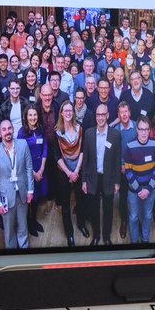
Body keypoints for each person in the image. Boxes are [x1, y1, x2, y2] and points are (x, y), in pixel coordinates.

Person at [0, 119, 34, 249]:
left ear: (13, 129)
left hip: (22, 192)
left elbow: (29, 168)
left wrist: (30, 190)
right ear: (0, 133)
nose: (7, 131)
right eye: (4, 129)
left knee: (23, 225)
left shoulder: (23, 145)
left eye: (9, 128)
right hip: (6, 197)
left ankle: (24, 247)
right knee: (9, 230)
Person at [80, 103, 122, 246]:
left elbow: (117, 160)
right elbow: (85, 159)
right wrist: (84, 180)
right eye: (98, 115)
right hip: (93, 178)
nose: (100, 118)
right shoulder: (89, 134)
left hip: (109, 178)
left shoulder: (115, 135)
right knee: (94, 209)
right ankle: (96, 235)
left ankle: (106, 236)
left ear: (108, 115)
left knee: (108, 209)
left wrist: (117, 182)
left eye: (103, 115)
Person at [123, 118, 155, 245]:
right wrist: (139, 190)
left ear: (149, 130)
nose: (143, 132)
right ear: (137, 130)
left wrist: (148, 189)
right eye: (141, 129)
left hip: (150, 189)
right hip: (134, 190)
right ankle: (134, 241)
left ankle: (145, 240)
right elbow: (128, 171)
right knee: (134, 216)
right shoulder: (129, 146)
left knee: (148, 216)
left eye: (146, 129)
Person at [53, 101, 86, 246]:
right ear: (61, 113)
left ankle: (81, 225)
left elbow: (83, 150)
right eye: (65, 110)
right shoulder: (57, 132)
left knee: (81, 201)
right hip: (63, 173)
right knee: (65, 205)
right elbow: (57, 156)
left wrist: (76, 171)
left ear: (73, 112)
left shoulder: (80, 128)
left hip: (78, 170)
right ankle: (69, 234)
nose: (68, 113)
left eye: (70, 110)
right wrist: (69, 173)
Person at [18, 105, 50, 237]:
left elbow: (45, 148)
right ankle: (28, 223)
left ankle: (34, 220)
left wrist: (41, 169)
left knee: (36, 197)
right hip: (28, 171)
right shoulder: (21, 133)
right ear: (26, 117)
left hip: (40, 168)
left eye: (35, 114)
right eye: (30, 115)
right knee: (29, 198)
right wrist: (33, 173)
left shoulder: (41, 129)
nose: (33, 117)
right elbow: (21, 156)